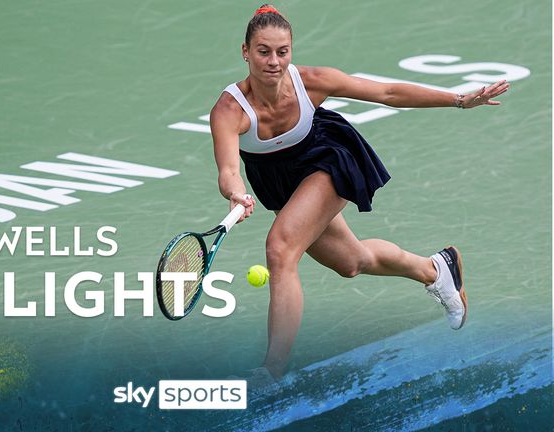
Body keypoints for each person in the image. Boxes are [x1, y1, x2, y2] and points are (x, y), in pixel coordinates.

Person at [210, 4, 509, 383]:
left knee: (281, 249)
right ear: (245, 52)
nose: (273, 61)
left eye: (282, 51)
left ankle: (271, 372)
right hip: (280, 183)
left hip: (327, 159)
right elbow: (229, 170)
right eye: (263, 51)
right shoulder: (228, 109)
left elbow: (387, 91)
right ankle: (436, 269)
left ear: (291, 50)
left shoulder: (313, 80)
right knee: (351, 262)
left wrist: (459, 100)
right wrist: (236, 193)